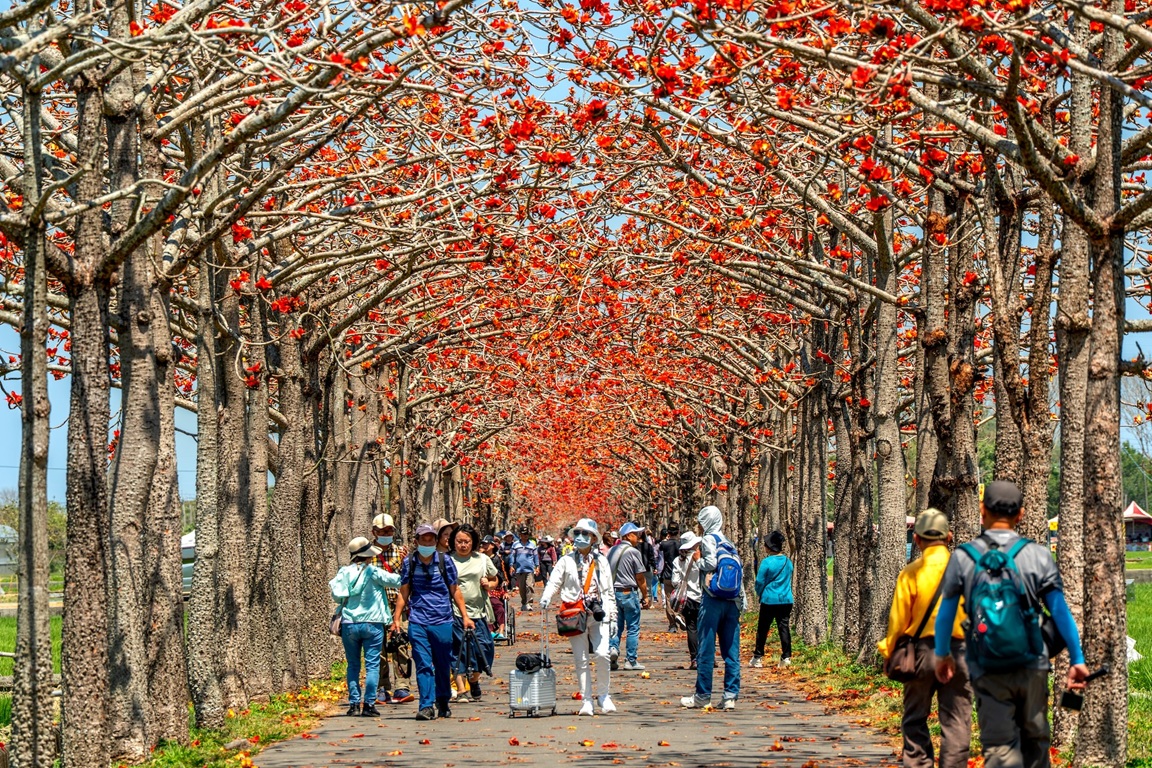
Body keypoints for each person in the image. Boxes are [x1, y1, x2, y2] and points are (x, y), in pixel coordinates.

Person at [934, 481, 1089, 768]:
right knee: (1035, 743)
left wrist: (942, 654)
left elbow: (946, 613)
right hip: (1033, 664)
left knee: (1001, 749)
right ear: (1021, 514)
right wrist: (1077, 659)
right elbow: (1059, 610)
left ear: (982, 511)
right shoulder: (1039, 555)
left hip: (987, 665)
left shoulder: (963, 556)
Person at [879, 510, 970, 768]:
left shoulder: (910, 573)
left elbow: (898, 622)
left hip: (920, 654)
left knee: (915, 717)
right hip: (960, 653)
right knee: (956, 721)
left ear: (917, 540)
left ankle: (918, 763)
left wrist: (889, 653)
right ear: (949, 537)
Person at [392, 523, 474, 721]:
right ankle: (426, 705)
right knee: (423, 664)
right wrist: (396, 619)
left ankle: (443, 699)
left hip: (443, 620)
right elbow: (404, 592)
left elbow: (455, 590)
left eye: (431, 539)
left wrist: (465, 616)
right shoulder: (409, 562)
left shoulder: (445, 562)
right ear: (416, 541)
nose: (427, 542)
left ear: (436, 541)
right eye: (423, 539)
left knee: (442, 663)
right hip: (418, 621)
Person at [540, 518, 619, 715]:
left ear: (593, 538)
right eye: (577, 533)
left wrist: (613, 616)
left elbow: (609, 591)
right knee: (581, 659)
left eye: (585, 534)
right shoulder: (565, 561)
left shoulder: (601, 561)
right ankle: (586, 700)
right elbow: (554, 582)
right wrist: (546, 598)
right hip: (575, 615)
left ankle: (604, 695)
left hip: (598, 615)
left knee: (603, 654)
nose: (580, 537)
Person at [330, 536, 402, 717]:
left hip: (349, 624)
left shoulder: (344, 572)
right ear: (368, 556)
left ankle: (354, 704)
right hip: (373, 623)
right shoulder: (373, 572)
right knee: (372, 665)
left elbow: (337, 596)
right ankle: (369, 704)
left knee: (353, 665)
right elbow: (397, 581)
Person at [681, 505, 743, 710]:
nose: (699, 526)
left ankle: (702, 695)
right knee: (731, 652)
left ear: (706, 522)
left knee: (706, 649)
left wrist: (698, 561)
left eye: (700, 521)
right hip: (732, 602)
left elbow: (710, 563)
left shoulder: (709, 539)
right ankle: (730, 696)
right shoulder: (729, 543)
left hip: (712, 599)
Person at [449, 524, 497, 703]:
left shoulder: (482, 559)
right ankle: (461, 690)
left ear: (473, 542)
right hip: (455, 612)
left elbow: (495, 579)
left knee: (485, 647)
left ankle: (474, 679)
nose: (463, 545)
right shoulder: (447, 560)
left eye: (466, 541)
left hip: (479, 611)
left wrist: (489, 584)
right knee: (459, 650)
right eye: (459, 541)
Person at [371, 512, 409, 703]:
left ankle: (402, 685)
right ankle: (382, 686)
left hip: (398, 605)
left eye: (389, 530)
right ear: (374, 532)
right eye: (382, 531)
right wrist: (396, 562)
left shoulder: (401, 551)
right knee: (379, 649)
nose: (386, 533)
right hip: (376, 607)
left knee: (400, 644)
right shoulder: (367, 553)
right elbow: (376, 575)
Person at [607, 521, 649, 671]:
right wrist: (646, 595)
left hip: (613, 593)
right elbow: (640, 577)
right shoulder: (633, 552)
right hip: (628, 593)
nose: (638, 537)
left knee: (615, 626)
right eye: (636, 534)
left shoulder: (611, 551)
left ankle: (612, 649)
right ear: (629, 535)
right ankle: (630, 660)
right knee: (632, 627)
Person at [751, 530, 794, 668]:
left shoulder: (766, 562)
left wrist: (759, 593)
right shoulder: (788, 562)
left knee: (763, 628)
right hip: (786, 600)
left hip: (769, 600)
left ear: (770, 547)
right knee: (784, 628)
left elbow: (759, 581)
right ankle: (786, 657)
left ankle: (758, 657)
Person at [671, 531, 702, 669]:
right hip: (702, 597)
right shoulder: (699, 558)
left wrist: (684, 581)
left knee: (692, 628)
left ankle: (694, 659)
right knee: (706, 628)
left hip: (687, 599)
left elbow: (674, 581)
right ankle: (708, 657)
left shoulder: (678, 561)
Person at [480, 535, 508, 640]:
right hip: (482, 587)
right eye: (483, 544)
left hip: (495, 588)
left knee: (498, 607)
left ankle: (501, 631)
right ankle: (490, 630)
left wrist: (505, 591)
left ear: (492, 545)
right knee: (487, 606)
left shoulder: (497, 559)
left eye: (486, 544)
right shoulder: (479, 557)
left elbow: (503, 575)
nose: (484, 546)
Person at [659, 523, 681, 630]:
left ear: (668, 533)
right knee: (681, 598)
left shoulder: (664, 545)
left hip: (667, 575)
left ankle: (672, 624)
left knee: (668, 600)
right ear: (678, 532)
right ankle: (679, 615)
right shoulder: (680, 545)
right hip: (680, 576)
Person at [511, 525, 539, 611]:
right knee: (522, 587)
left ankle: (529, 603)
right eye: (523, 534)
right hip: (519, 569)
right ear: (520, 535)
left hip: (529, 569)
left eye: (527, 534)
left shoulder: (532, 545)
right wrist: (511, 565)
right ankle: (524, 602)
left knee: (529, 585)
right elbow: (512, 556)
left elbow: (535, 556)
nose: (525, 536)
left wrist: (537, 566)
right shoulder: (515, 544)